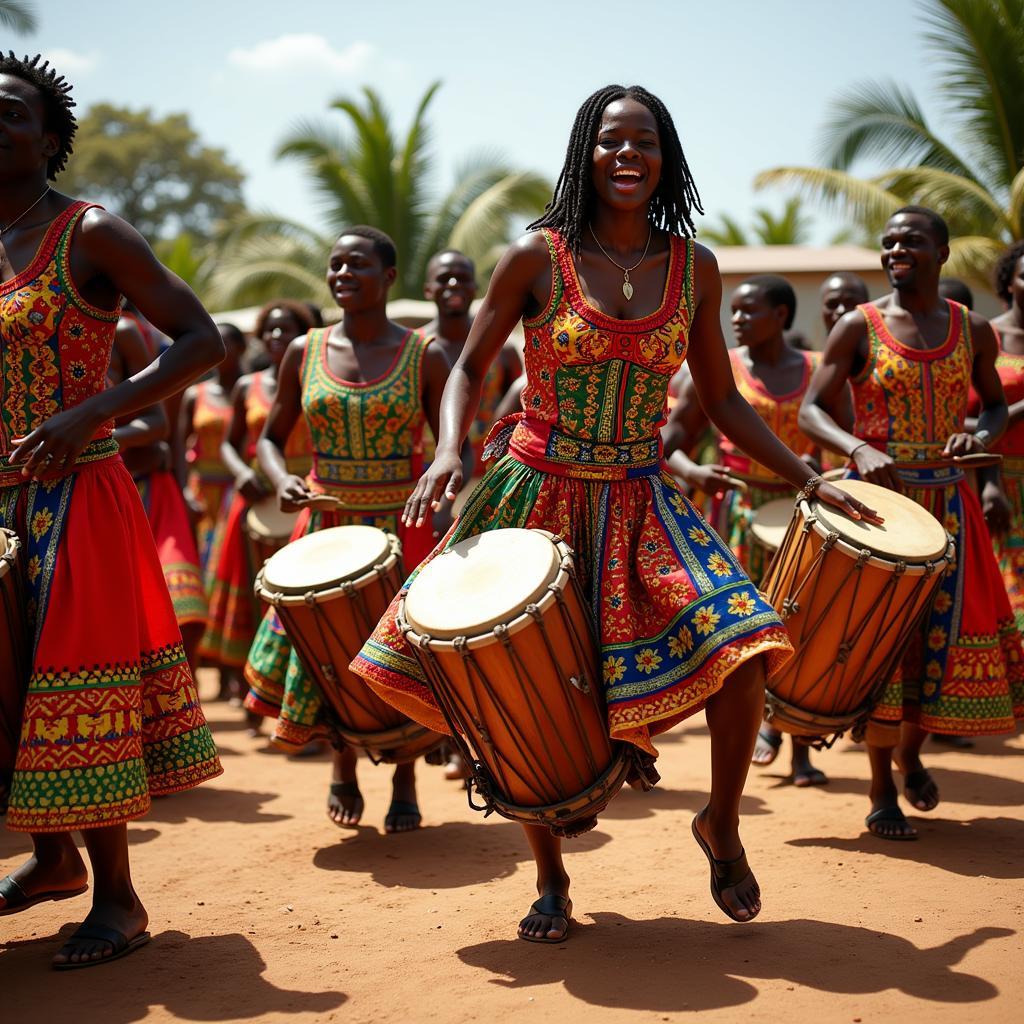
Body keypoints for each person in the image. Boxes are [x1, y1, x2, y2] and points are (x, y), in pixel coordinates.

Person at [351, 84, 876, 941]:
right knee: (516, 683)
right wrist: (449, 451)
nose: (627, 156)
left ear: (665, 158)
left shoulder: (696, 267)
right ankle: (551, 877)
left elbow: (726, 399)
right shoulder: (537, 255)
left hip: (640, 499)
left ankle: (722, 822)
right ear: (585, 156)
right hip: (536, 493)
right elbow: (469, 366)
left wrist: (810, 476)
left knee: (743, 643)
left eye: (645, 142)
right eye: (610, 142)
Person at [0, 53, 223, 967]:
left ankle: (121, 900)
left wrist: (91, 410)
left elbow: (202, 339)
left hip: (79, 492)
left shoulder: (88, 232)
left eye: (11, 114)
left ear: (49, 140)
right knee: (10, 685)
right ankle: (52, 860)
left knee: (71, 680)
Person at [799, 206, 1024, 840]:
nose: (897, 250)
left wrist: (976, 435)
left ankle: (911, 752)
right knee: (883, 642)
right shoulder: (858, 326)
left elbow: (996, 407)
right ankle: (879, 788)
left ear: (942, 253)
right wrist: (855, 446)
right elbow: (815, 411)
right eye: (890, 242)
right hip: (883, 509)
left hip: (952, 507)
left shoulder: (973, 328)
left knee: (942, 641)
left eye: (913, 242)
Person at [244, 226, 450, 833]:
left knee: (405, 651)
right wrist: (281, 477)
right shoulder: (302, 351)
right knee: (326, 648)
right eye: (335, 265)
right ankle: (342, 763)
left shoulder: (425, 354)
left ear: (389, 277)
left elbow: (451, 438)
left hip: (401, 526)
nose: (342, 275)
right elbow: (269, 440)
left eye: (357, 265)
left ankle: (407, 773)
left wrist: (440, 483)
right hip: (325, 525)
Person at [663, 274, 827, 787]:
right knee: (749, 626)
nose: (735, 320)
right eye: (731, 310)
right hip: (735, 512)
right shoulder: (714, 370)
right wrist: (692, 473)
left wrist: (823, 468)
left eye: (748, 310)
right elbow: (670, 440)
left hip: (805, 512)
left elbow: (843, 429)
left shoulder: (817, 370)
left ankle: (800, 748)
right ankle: (757, 726)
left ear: (781, 315)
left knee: (803, 624)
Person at [198, 302, 313, 710]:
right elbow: (230, 443)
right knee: (253, 593)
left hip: (307, 498)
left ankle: (300, 692)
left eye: (288, 329)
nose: (278, 337)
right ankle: (254, 689)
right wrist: (241, 474)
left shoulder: (320, 377)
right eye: (271, 330)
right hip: (255, 498)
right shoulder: (249, 385)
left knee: (302, 596)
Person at [108, 314, 209, 675]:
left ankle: (184, 698)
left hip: (148, 485)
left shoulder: (125, 333)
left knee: (181, 605)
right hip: (82, 492)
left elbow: (166, 428)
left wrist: (94, 438)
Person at [422, 249, 522, 475]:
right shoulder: (415, 350)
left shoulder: (502, 349)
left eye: (463, 278)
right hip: (429, 471)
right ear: (428, 289)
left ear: (475, 288)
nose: (454, 284)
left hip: (488, 471)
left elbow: (519, 411)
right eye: (443, 278)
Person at [967, 242, 1024, 629]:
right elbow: (965, 422)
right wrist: (990, 485)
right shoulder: (988, 337)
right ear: (1009, 283)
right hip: (1004, 483)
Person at [177, 322, 247, 573]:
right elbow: (180, 444)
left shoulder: (252, 390)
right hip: (203, 492)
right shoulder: (196, 394)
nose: (219, 349)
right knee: (207, 560)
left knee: (239, 561)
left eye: (226, 342)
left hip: (241, 490)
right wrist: (184, 490)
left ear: (242, 347)